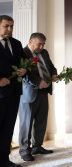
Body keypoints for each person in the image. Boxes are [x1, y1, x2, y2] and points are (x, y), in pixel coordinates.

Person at [18, 33, 58, 162]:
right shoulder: (22, 53)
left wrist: (54, 74)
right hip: (28, 93)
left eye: (43, 44)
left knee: (41, 120)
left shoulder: (44, 53)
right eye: (39, 44)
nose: (41, 47)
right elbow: (24, 74)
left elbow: (51, 67)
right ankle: (25, 151)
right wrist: (37, 81)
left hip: (44, 90)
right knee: (26, 123)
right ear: (30, 42)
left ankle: (37, 146)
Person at [0, 15, 27, 167]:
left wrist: (25, 71)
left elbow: (24, 63)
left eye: (11, 26)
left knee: (8, 127)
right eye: (6, 26)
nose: (9, 29)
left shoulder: (16, 44)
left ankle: (4, 160)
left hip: (14, 92)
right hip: (0, 92)